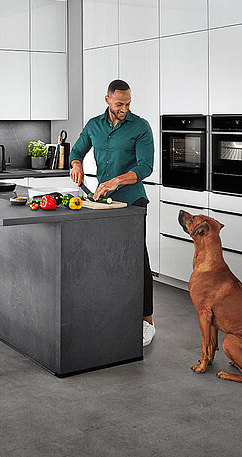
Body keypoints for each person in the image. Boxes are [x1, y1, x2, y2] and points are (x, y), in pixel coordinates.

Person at [68, 79, 156, 346]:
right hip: (103, 202)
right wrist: (76, 163)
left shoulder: (140, 127)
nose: (124, 109)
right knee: (107, 259)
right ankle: (114, 313)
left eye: (128, 103)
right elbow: (77, 149)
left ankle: (146, 321)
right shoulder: (94, 125)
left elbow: (145, 167)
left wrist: (117, 181)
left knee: (136, 259)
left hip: (132, 201)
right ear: (107, 100)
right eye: (120, 104)